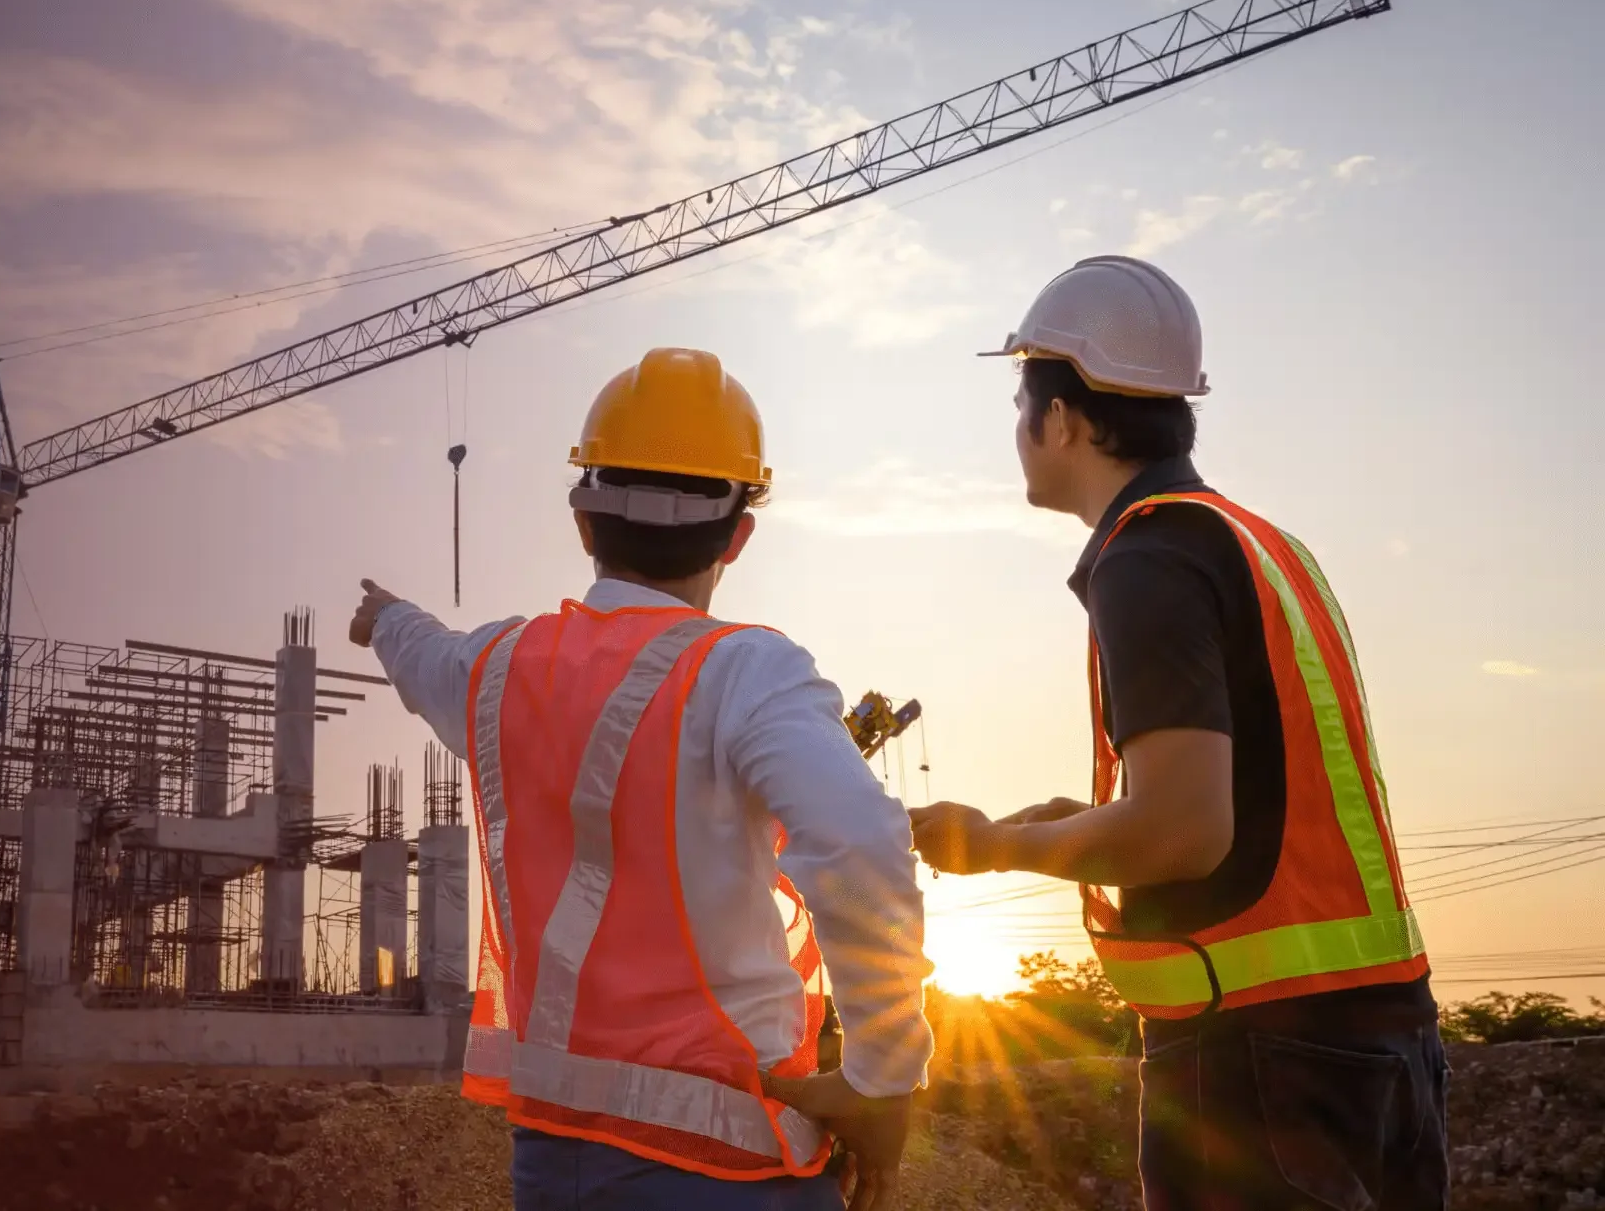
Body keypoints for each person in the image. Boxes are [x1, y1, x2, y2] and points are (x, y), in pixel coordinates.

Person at [909, 256, 1446, 1210]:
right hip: (1384, 1039)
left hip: (1260, 1060)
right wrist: (1087, 824)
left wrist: (996, 847)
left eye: (1022, 406)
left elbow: (1186, 834)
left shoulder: (1148, 557)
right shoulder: (1261, 543)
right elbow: (1261, 800)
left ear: (1062, 418)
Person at [347, 347, 932, 1211]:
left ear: (584, 523)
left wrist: (386, 618)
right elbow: (860, 842)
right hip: (730, 1163)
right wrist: (884, 1079)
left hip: (554, 1164)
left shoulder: (501, 669)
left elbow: (428, 657)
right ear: (740, 533)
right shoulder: (746, 673)